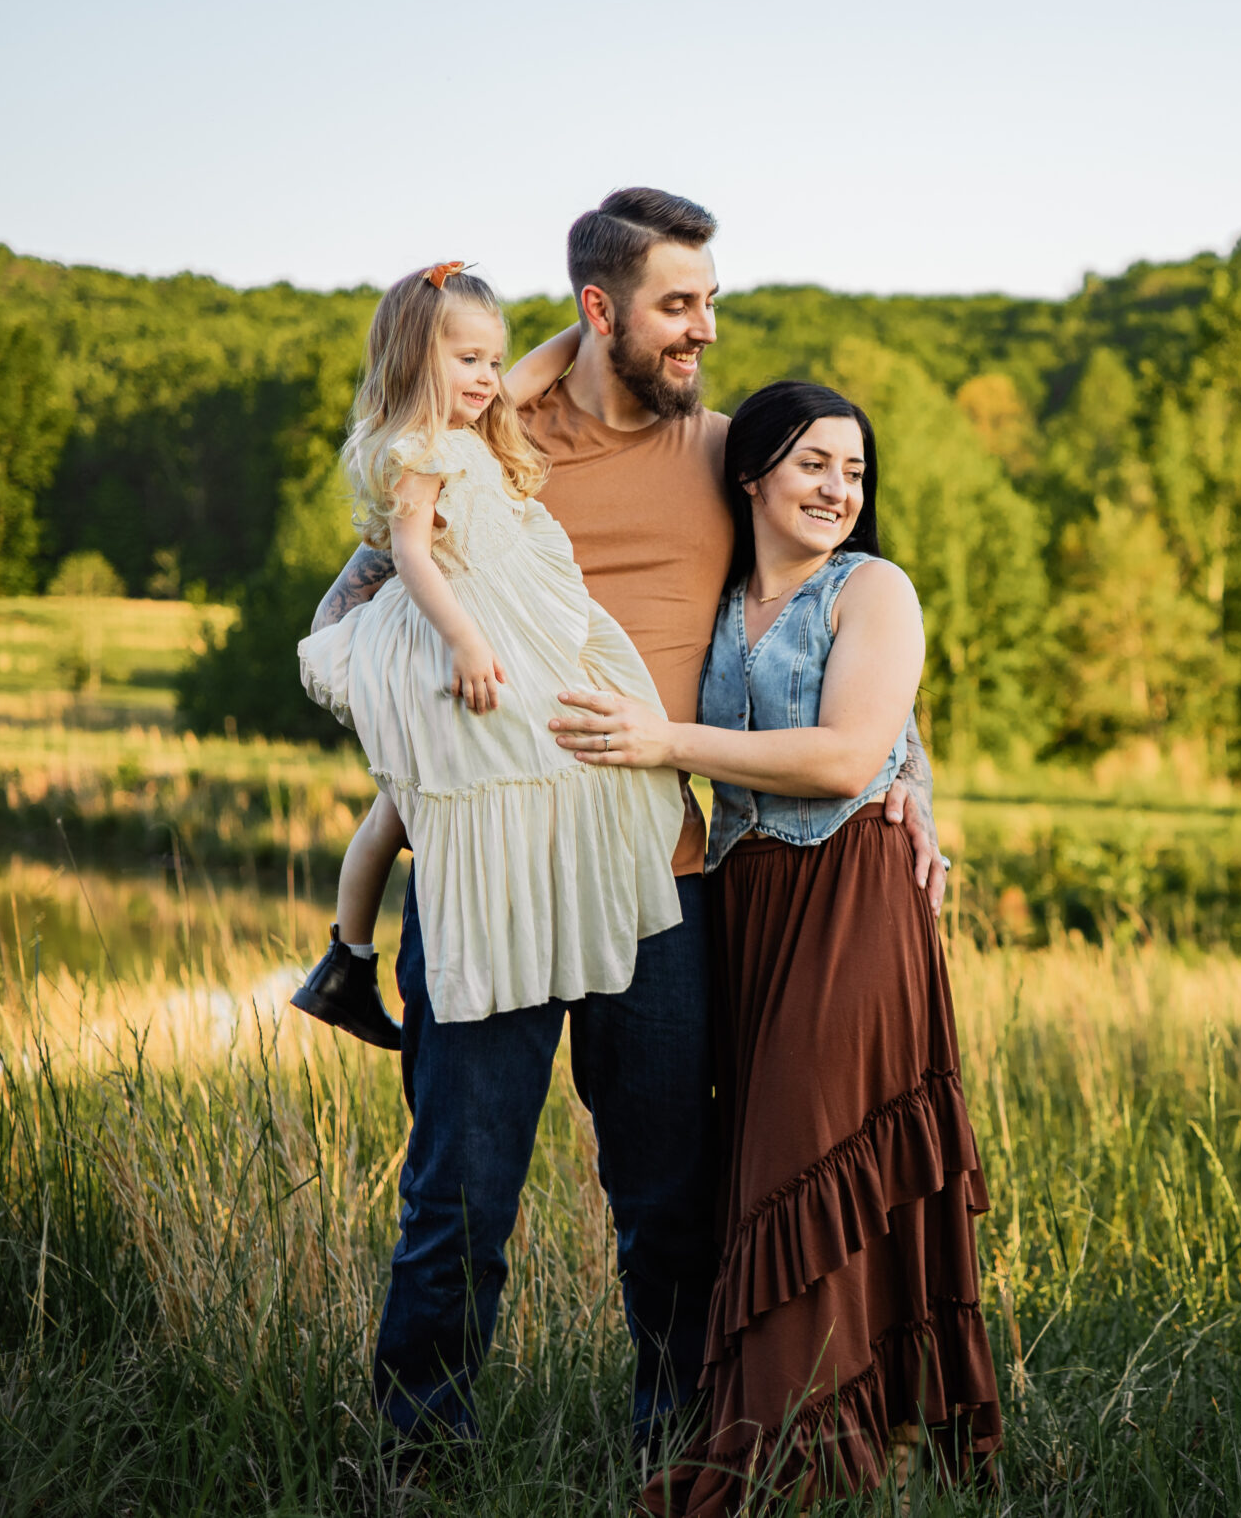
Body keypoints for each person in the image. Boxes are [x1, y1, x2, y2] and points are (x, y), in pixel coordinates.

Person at [305, 191, 947, 1447]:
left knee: (670, 1200)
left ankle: (680, 1452)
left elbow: (834, 602)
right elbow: (364, 596)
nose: (705, 330)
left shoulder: (724, 453)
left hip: (659, 878)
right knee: (457, 1200)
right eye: (678, 305)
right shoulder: (495, 432)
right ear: (600, 310)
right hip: (486, 879)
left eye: (711, 302)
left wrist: (904, 775)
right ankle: (419, 1462)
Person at [559, 381, 1000, 1513]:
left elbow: (854, 755)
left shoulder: (873, 588)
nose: (838, 491)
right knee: (761, 1170)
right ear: (750, 473)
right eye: (813, 464)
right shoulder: (715, 595)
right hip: (746, 906)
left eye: (854, 472)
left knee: (810, 1160)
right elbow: (900, 737)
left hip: (853, 895)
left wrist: (667, 741)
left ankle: (795, 1456)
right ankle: (844, 1430)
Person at [287, 262, 670, 1045]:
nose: (489, 377)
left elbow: (532, 370)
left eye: (492, 360)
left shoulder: (472, 423)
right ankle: (352, 957)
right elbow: (412, 557)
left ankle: (345, 965)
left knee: (413, 799)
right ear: (415, 359)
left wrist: (599, 322)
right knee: (436, 791)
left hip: (508, 622)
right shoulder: (419, 447)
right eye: (468, 360)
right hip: (452, 630)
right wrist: (465, 641)